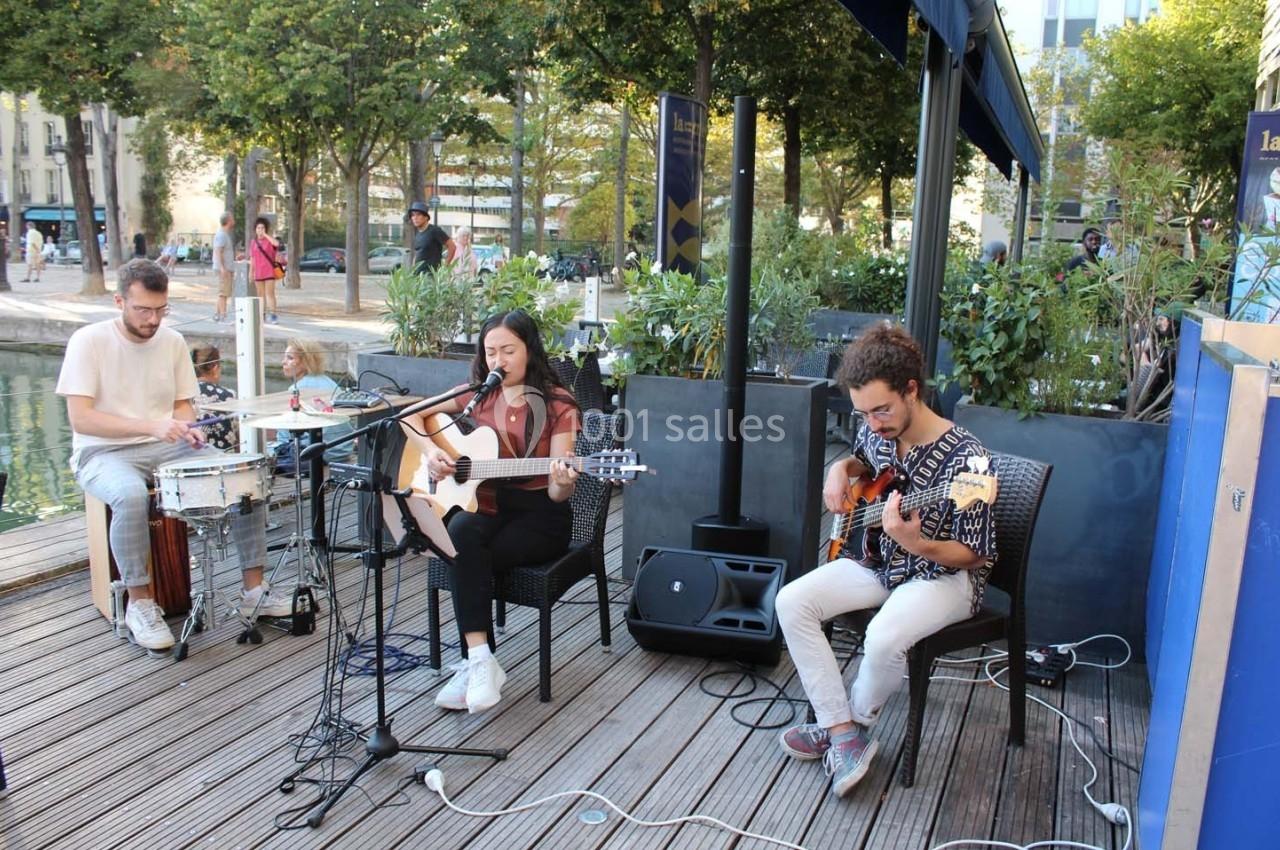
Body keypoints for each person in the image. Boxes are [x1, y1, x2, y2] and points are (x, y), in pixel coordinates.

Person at [775, 326, 996, 798]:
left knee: (884, 637)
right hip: (880, 559)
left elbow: (973, 552)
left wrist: (917, 543)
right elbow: (861, 461)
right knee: (793, 601)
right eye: (863, 412)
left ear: (911, 390)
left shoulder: (968, 460)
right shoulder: (873, 429)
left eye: (882, 410)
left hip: (944, 574)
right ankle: (841, 731)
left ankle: (849, 726)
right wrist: (840, 471)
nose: (873, 422)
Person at [55, 259, 291, 653]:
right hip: (101, 451)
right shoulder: (89, 341)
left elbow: (183, 406)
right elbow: (81, 419)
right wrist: (152, 426)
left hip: (165, 444)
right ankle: (140, 604)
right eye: (143, 310)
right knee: (130, 495)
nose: (152, 319)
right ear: (119, 301)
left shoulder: (172, 341)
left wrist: (189, 429)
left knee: (243, 473)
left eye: (160, 310)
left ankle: (255, 591)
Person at [401, 310, 581, 714]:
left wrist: (564, 479)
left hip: (540, 517)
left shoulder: (558, 404)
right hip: (488, 502)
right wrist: (433, 452)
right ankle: (480, 658)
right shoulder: (478, 393)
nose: (498, 360)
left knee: (462, 551)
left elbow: (557, 492)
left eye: (508, 350)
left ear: (530, 351)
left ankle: (472, 661)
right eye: (490, 351)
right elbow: (410, 416)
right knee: (461, 534)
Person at [270, 338, 353, 470]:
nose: (283, 362)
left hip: (318, 452)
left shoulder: (296, 390)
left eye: (290, 358)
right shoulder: (329, 382)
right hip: (342, 449)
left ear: (305, 362)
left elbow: (285, 434)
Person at [191, 343, 239, 452]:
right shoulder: (229, 395)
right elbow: (236, 436)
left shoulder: (183, 397)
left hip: (193, 460)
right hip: (225, 460)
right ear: (215, 367)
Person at [248, 217, 281, 324]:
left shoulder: (269, 241)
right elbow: (252, 258)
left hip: (269, 271)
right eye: (258, 228)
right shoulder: (253, 242)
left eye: (262, 228)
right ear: (255, 229)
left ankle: (273, 315)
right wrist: (251, 273)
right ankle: (262, 315)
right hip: (258, 272)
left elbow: (276, 244)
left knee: (270, 294)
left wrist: (266, 235)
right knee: (260, 295)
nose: (260, 230)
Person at [408, 201, 455, 273]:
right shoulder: (418, 234)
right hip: (417, 276)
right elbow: (417, 253)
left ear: (426, 217)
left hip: (430, 276)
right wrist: (412, 270)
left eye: (418, 215)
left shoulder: (434, 231)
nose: (415, 218)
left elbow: (452, 246)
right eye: (413, 215)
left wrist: (445, 266)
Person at [212, 212, 237, 322]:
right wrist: (222, 268)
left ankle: (217, 314)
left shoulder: (224, 234)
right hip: (224, 269)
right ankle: (223, 316)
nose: (233, 220)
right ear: (228, 221)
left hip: (226, 267)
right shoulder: (222, 234)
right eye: (232, 218)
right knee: (223, 293)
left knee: (223, 291)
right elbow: (218, 251)